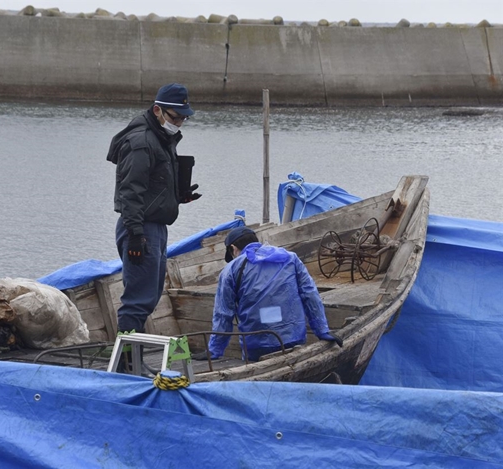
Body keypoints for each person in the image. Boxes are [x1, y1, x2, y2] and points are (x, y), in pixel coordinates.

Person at [106, 83, 202, 335]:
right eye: (175, 117)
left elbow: (151, 186)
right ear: (158, 110)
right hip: (140, 228)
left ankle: (130, 357)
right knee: (138, 299)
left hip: (155, 227)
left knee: (150, 294)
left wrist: (177, 196)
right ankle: (126, 362)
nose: (179, 123)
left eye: (183, 118)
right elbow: (130, 192)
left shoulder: (162, 138)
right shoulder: (142, 142)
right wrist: (136, 235)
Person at [204, 226, 342, 362]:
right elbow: (310, 294)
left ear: (233, 248)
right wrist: (322, 330)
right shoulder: (290, 258)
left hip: (256, 347)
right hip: (294, 339)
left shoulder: (231, 269)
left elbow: (223, 314)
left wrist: (214, 351)